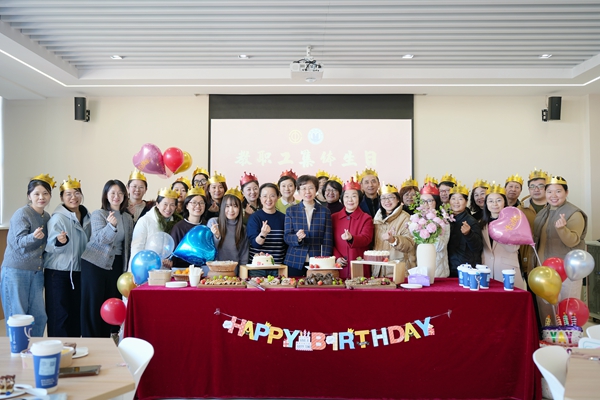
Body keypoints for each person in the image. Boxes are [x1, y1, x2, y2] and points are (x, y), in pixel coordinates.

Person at [1, 174, 54, 337]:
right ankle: (18, 350)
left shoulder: (47, 217)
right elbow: (17, 242)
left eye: (45, 193)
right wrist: (33, 237)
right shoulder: (22, 213)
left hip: (36, 272)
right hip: (16, 272)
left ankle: (34, 348)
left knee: (39, 316)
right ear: (29, 196)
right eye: (37, 193)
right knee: (18, 316)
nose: (41, 197)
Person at [81, 180, 133, 338]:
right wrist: (110, 226)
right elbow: (99, 240)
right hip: (95, 263)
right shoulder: (99, 214)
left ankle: (106, 340)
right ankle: (91, 341)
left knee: (110, 303)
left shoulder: (127, 218)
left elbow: (127, 245)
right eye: (113, 193)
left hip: (116, 264)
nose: (116, 196)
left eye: (120, 193)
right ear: (106, 195)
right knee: (93, 305)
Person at [534, 176, 588, 322]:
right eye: (549, 191)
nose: (553, 195)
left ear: (566, 192)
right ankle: (548, 336)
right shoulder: (543, 213)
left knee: (567, 308)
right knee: (546, 309)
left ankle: (568, 337)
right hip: (545, 270)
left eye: (558, 191)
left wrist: (562, 229)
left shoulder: (574, 213)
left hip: (567, 271)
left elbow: (573, 241)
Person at [44, 176, 91, 337]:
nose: (73, 197)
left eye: (77, 193)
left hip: (79, 273)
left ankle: (74, 348)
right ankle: (58, 351)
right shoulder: (57, 218)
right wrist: (60, 241)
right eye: (68, 194)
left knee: (76, 316)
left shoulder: (87, 217)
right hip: (58, 273)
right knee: (59, 316)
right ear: (62, 198)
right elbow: (49, 246)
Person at [284, 175, 333, 277]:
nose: (307, 192)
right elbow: (287, 236)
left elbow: (327, 239)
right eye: (303, 188)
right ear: (298, 190)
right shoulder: (291, 211)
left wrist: (326, 261)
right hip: (295, 260)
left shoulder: (325, 211)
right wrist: (297, 238)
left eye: (311, 188)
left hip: (317, 261)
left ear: (316, 190)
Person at [480, 184, 526, 290]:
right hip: (486, 269)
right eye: (490, 201)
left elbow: (514, 248)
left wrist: (499, 232)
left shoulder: (513, 222)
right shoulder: (481, 224)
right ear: (486, 204)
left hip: (508, 270)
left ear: (504, 202)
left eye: (498, 200)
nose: (494, 204)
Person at [331, 178, 373, 278]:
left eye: (354, 196)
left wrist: (352, 238)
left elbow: (367, 238)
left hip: (359, 265)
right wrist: (337, 257)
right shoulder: (333, 217)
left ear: (359, 198)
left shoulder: (366, 218)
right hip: (339, 266)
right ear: (342, 198)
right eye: (346, 196)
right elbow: (329, 242)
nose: (350, 200)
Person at [131, 187, 182, 268]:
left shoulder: (177, 223)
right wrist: (138, 268)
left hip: (165, 270)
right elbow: (137, 248)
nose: (168, 208)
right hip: (145, 267)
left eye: (172, 205)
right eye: (165, 204)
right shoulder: (145, 221)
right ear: (157, 204)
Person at [372, 183, 415, 277]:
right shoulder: (377, 219)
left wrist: (393, 240)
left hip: (399, 270)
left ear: (398, 199)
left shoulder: (405, 218)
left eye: (391, 197)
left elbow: (410, 244)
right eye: (383, 198)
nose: (387, 201)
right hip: (379, 270)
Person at [246, 183, 287, 276]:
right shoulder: (254, 217)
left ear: (278, 197)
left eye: (272, 196)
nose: (268, 199)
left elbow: (286, 244)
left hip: (278, 266)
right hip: (257, 268)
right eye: (264, 196)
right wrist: (263, 234)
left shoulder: (284, 218)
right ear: (260, 198)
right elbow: (255, 244)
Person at [207, 188, 249, 274]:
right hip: (214, 272)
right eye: (227, 206)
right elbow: (209, 251)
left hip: (233, 273)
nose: (231, 210)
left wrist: (242, 275)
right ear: (223, 207)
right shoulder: (213, 222)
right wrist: (217, 236)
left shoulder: (243, 229)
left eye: (235, 206)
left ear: (240, 208)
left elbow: (244, 256)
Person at [447, 183, 483, 277]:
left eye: (460, 199)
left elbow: (478, 247)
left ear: (466, 202)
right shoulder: (445, 220)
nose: (456, 202)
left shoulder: (471, 221)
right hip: (448, 268)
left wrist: (469, 234)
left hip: (465, 269)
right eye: (453, 198)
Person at [519, 169, 549, 275]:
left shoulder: (555, 208)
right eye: (532, 186)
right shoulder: (520, 210)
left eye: (541, 186)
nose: (536, 189)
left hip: (549, 258)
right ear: (528, 189)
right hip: (527, 258)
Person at [170, 187, 208, 268]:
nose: (198, 206)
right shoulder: (178, 228)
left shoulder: (207, 226)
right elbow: (173, 255)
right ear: (187, 206)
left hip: (204, 270)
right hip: (182, 271)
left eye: (201, 203)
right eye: (194, 202)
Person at [418, 182, 450, 277]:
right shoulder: (415, 220)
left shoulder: (443, 221)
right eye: (422, 201)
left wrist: (432, 225)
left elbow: (440, 246)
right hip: (420, 268)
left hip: (438, 271)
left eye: (429, 201)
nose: (425, 204)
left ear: (436, 202)